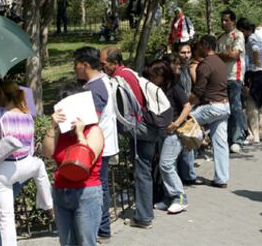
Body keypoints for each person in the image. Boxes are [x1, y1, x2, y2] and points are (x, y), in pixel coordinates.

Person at [0, 81, 53, 246]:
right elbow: (31, 145)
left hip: (2, 169)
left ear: (2, 95)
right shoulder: (28, 116)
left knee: (6, 216)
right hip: (25, 164)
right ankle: (48, 203)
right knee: (39, 167)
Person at [100, 46, 160, 229]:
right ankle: (145, 211)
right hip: (146, 128)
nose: (101, 67)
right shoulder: (128, 73)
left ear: (114, 63)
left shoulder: (121, 78)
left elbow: (130, 108)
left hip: (141, 130)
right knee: (145, 170)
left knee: (142, 171)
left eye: (103, 64)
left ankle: (143, 217)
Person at [43, 83, 104, 246]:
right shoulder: (60, 132)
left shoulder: (93, 130)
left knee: (86, 242)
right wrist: (52, 127)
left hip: (86, 193)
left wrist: (79, 134)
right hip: (61, 191)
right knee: (67, 243)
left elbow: (86, 161)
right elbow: (48, 153)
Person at [73, 47, 119, 242]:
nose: (74, 68)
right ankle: (102, 228)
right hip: (103, 143)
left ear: (85, 65)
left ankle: (102, 229)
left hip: (99, 145)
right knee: (101, 186)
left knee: (98, 187)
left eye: (76, 64)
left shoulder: (96, 88)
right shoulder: (99, 82)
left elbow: (93, 119)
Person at [144, 59, 191, 214]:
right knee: (166, 166)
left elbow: (187, 106)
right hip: (161, 132)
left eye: (155, 76)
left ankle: (180, 197)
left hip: (174, 133)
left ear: (162, 75)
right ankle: (168, 197)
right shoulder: (154, 89)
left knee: (166, 164)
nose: (152, 79)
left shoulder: (174, 87)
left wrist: (176, 123)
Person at [189, 35, 231, 188]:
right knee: (220, 143)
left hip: (212, 107)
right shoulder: (220, 62)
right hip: (224, 107)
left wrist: (187, 104)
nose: (198, 47)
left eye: (200, 44)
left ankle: (186, 172)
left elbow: (198, 91)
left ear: (205, 45)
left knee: (184, 124)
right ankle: (221, 179)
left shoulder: (205, 64)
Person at [217, 9, 246, 154]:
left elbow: (234, 55)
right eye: (222, 20)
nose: (224, 23)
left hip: (235, 76)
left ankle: (238, 139)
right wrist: (223, 55)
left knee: (235, 108)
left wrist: (221, 55)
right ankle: (227, 138)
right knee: (224, 110)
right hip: (222, 77)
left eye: (226, 20)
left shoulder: (238, 35)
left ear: (233, 21)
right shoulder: (220, 37)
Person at [237, 18, 262, 144]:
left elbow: (256, 49)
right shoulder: (257, 36)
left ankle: (255, 135)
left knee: (251, 104)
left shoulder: (251, 39)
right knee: (261, 104)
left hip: (254, 73)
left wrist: (256, 62)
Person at [172, 44, 199, 185]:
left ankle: (188, 174)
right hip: (180, 110)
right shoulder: (175, 70)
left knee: (188, 142)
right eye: (183, 52)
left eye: (188, 52)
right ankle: (186, 175)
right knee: (183, 143)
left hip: (189, 107)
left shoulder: (190, 68)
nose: (186, 55)